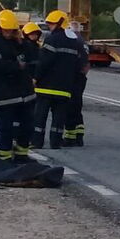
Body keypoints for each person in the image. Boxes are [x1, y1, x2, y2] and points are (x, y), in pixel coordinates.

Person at [0, 11, 36, 161]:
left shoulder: (20, 44)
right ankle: (5, 156)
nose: (8, 33)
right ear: (0, 28)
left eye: (11, 30)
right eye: (6, 30)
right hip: (4, 93)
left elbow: (34, 58)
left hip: (24, 93)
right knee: (6, 127)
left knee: (27, 125)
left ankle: (22, 155)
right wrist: (15, 66)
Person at [32, 11, 80, 149]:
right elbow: (77, 64)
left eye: (51, 23)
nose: (49, 26)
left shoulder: (51, 40)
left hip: (46, 86)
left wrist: (36, 77)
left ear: (60, 23)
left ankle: (37, 142)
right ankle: (55, 143)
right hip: (64, 88)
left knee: (40, 116)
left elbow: (44, 62)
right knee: (59, 118)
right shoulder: (74, 42)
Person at [64, 36, 90, 147]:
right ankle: (79, 137)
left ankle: (70, 137)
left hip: (73, 78)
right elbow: (86, 65)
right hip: (81, 78)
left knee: (70, 106)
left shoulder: (72, 44)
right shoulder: (82, 43)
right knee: (77, 106)